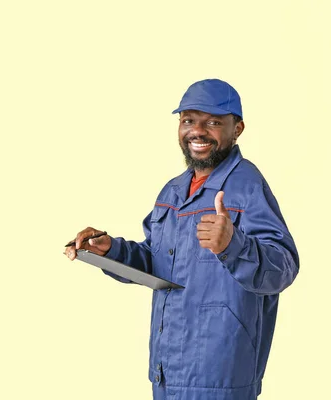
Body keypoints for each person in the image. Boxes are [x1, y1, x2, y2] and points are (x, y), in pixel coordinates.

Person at [64, 79, 299, 400]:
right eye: (188, 120)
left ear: (238, 129)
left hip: (221, 373)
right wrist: (111, 251)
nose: (197, 131)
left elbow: (282, 267)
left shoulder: (246, 185)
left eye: (213, 122)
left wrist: (233, 245)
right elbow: (158, 262)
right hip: (166, 368)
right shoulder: (172, 191)